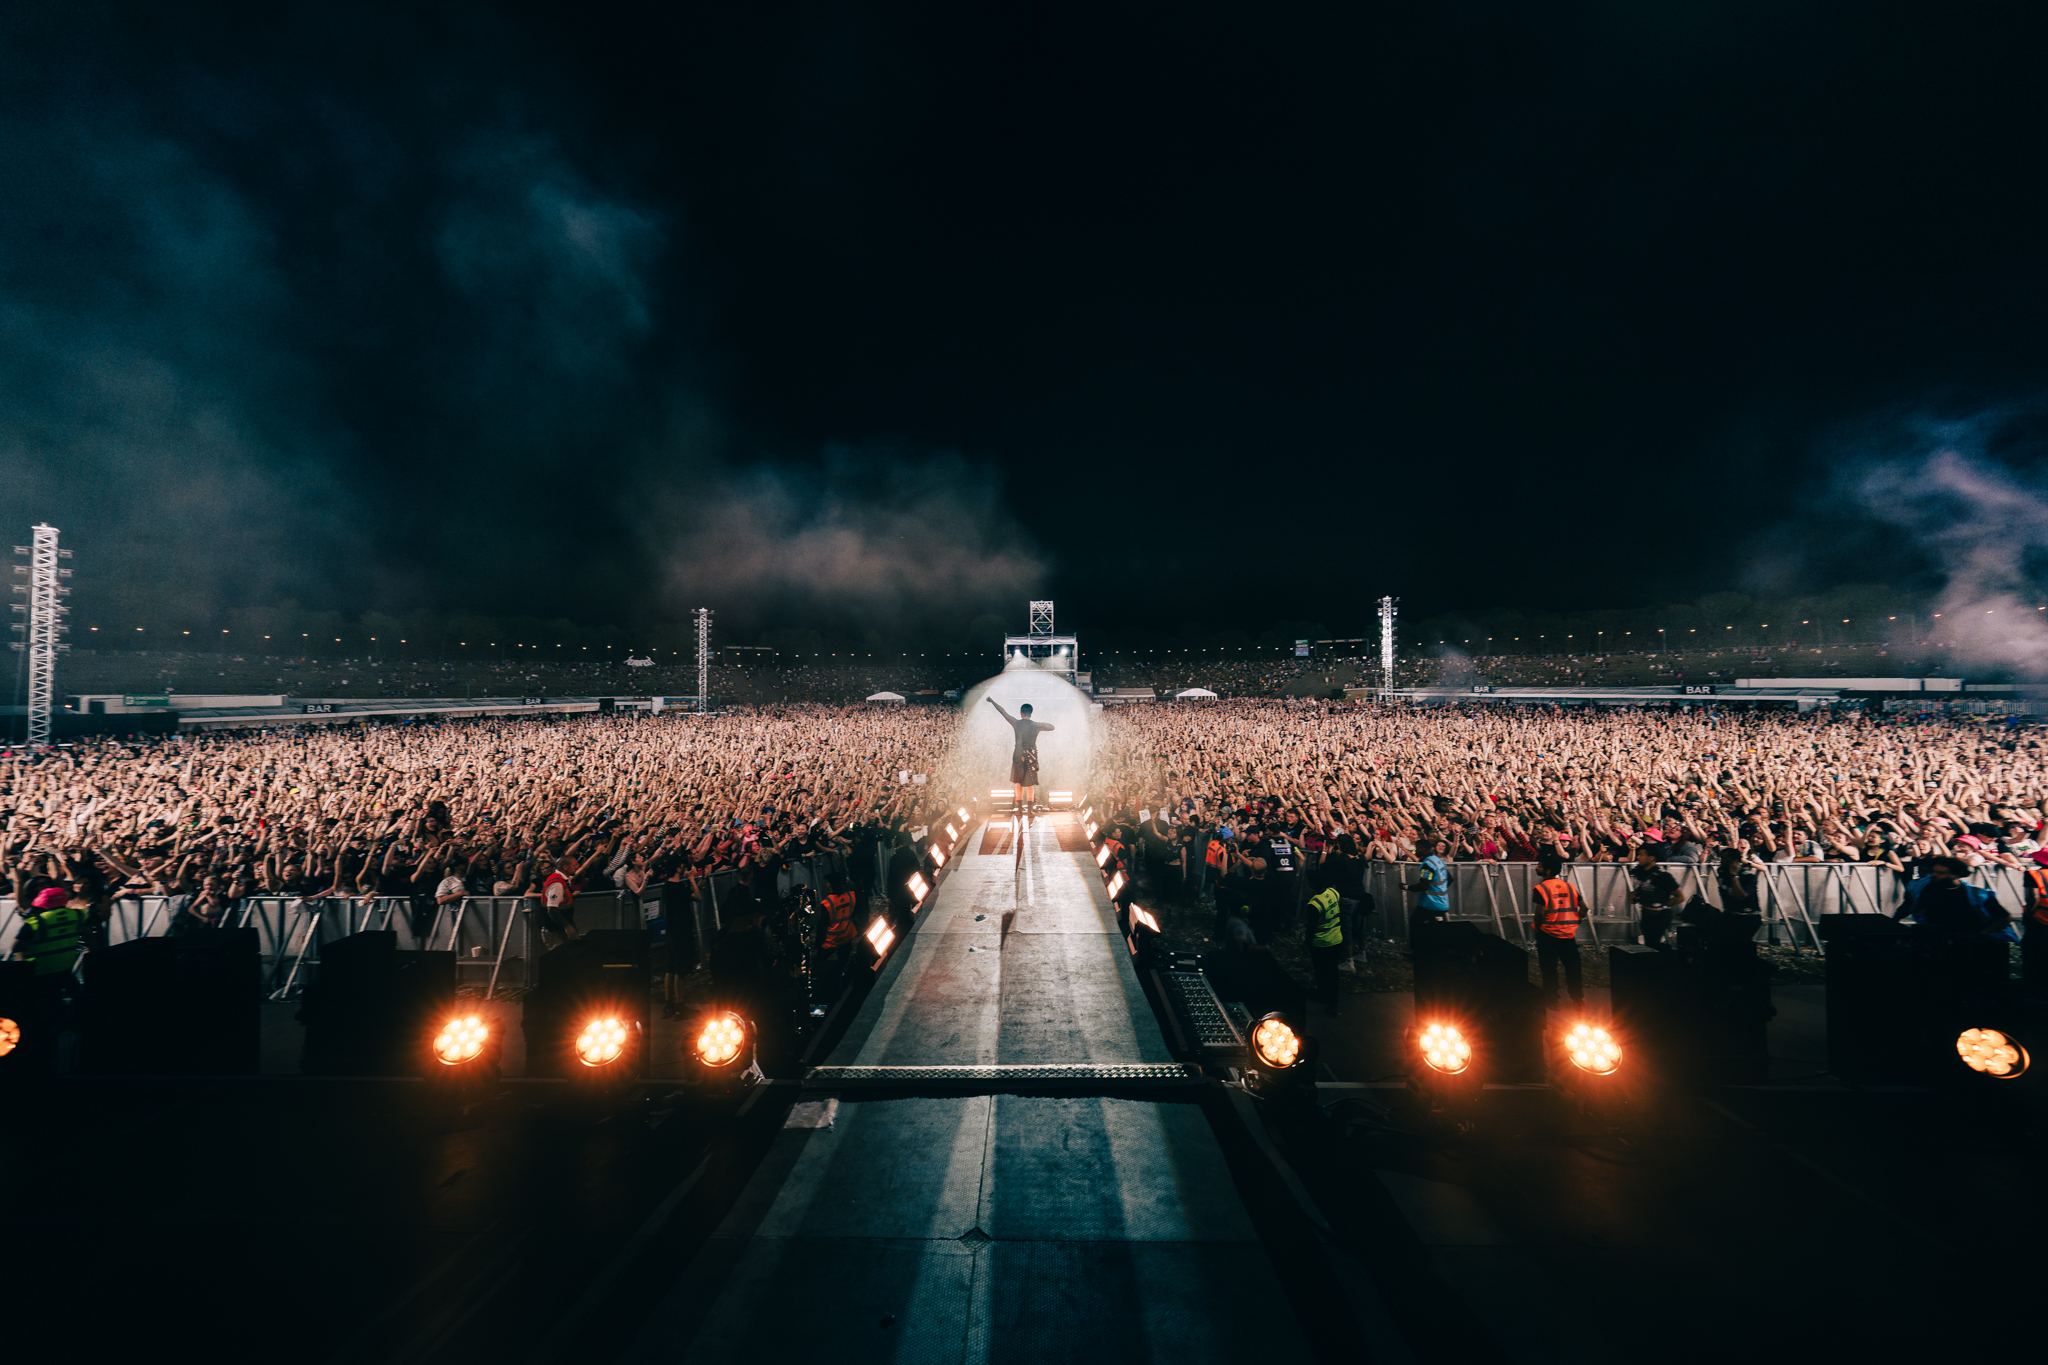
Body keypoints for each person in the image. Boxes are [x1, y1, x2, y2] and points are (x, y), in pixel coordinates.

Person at [1892, 855, 2013, 941]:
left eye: (1941, 873)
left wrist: (1982, 934)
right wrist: (1893, 922)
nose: (1933, 875)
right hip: (1936, 938)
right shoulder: (1919, 888)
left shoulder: (1979, 895)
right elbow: (1908, 905)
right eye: (1934, 871)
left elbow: (2005, 918)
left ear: (1955, 875)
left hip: (1968, 939)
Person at [1530, 854, 1585, 1008]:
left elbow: (1539, 913)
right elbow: (1585, 908)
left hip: (1548, 934)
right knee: (1573, 967)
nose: (1536, 868)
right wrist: (1576, 920)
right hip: (1568, 934)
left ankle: (1552, 1000)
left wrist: (1538, 928)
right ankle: (1577, 998)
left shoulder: (1541, 888)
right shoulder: (1569, 886)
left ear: (1547, 871)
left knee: (1548, 968)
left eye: (1539, 866)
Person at [985, 697, 1054, 813]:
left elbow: (1003, 712)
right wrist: (1039, 724)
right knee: (1030, 783)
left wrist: (991, 701)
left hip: (1018, 755)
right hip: (1031, 756)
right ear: (1030, 713)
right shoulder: (1036, 726)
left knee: (1019, 782)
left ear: (1021, 713)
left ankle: (1020, 809)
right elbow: (1052, 727)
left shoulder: (1016, 723)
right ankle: (1030, 809)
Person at [1304, 866, 1345, 1016]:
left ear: (1312, 884)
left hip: (1321, 943)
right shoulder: (1333, 892)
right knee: (1333, 972)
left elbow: (1311, 927)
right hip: (1337, 938)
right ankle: (1331, 999)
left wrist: (1306, 943)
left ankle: (1327, 997)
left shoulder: (1314, 904)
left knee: (1321, 971)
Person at [1629, 842, 1683, 947]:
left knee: (1654, 943)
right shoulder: (1642, 873)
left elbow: (1680, 897)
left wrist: (1662, 906)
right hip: (1646, 913)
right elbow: (1643, 887)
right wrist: (1633, 894)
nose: (1638, 857)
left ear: (1651, 858)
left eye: (1641, 855)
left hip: (1660, 916)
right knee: (1649, 943)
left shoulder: (1662, 876)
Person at [1407, 838, 1451, 939]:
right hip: (1441, 903)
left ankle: (1418, 951)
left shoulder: (1428, 865)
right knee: (1435, 931)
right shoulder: (1438, 861)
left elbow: (1424, 885)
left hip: (1431, 904)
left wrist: (1406, 887)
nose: (1416, 851)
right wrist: (1439, 889)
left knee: (1415, 924)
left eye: (1417, 848)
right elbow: (1450, 879)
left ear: (1422, 848)